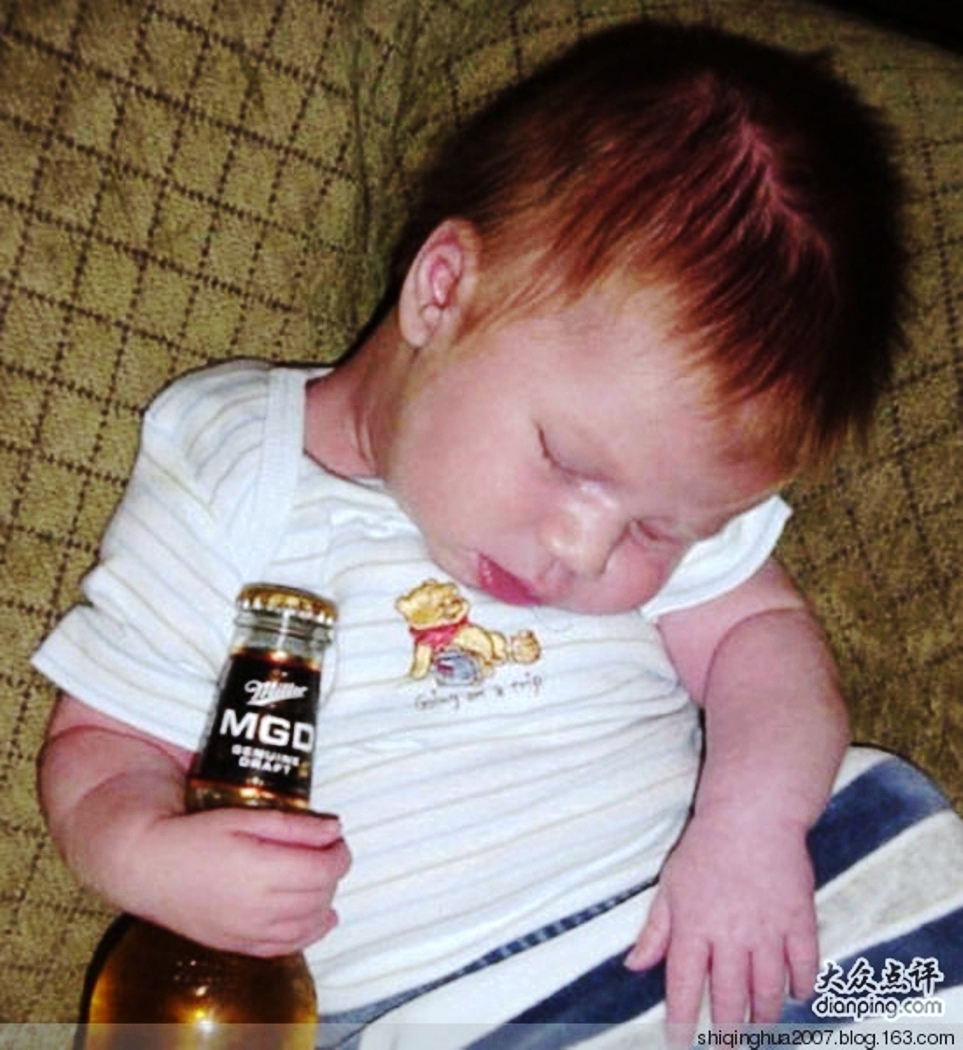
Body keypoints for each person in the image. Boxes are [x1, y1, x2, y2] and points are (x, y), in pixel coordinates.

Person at [32, 17, 963, 1042]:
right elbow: (106, 742)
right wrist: (151, 859)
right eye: (567, 463)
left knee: (892, 843)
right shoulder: (240, 468)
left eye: (661, 531)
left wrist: (751, 826)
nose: (583, 552)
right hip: (425, 1006)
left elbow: (763, 642)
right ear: (441, 292)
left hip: (691, 923)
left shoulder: (653, 484)